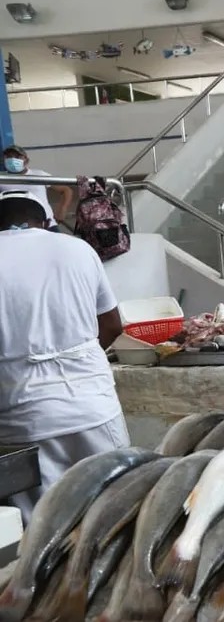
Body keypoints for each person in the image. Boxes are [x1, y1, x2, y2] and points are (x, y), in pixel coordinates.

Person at [0, 191, 129, 523]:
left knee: (42, 529)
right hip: (93, 409)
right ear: (45, 223)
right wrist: (77, 363)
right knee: (115, 510)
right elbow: (112, 324)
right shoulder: (78, 249)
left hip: (21, 418)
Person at [1, 144, 73, 232]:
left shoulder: (39, 175)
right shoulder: (2, 178)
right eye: (9, 156)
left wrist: (62, 209)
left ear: (26, 160)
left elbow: (66, 190)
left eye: (18, 156)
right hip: (13, 228)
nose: (13, 159)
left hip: (46, 225)